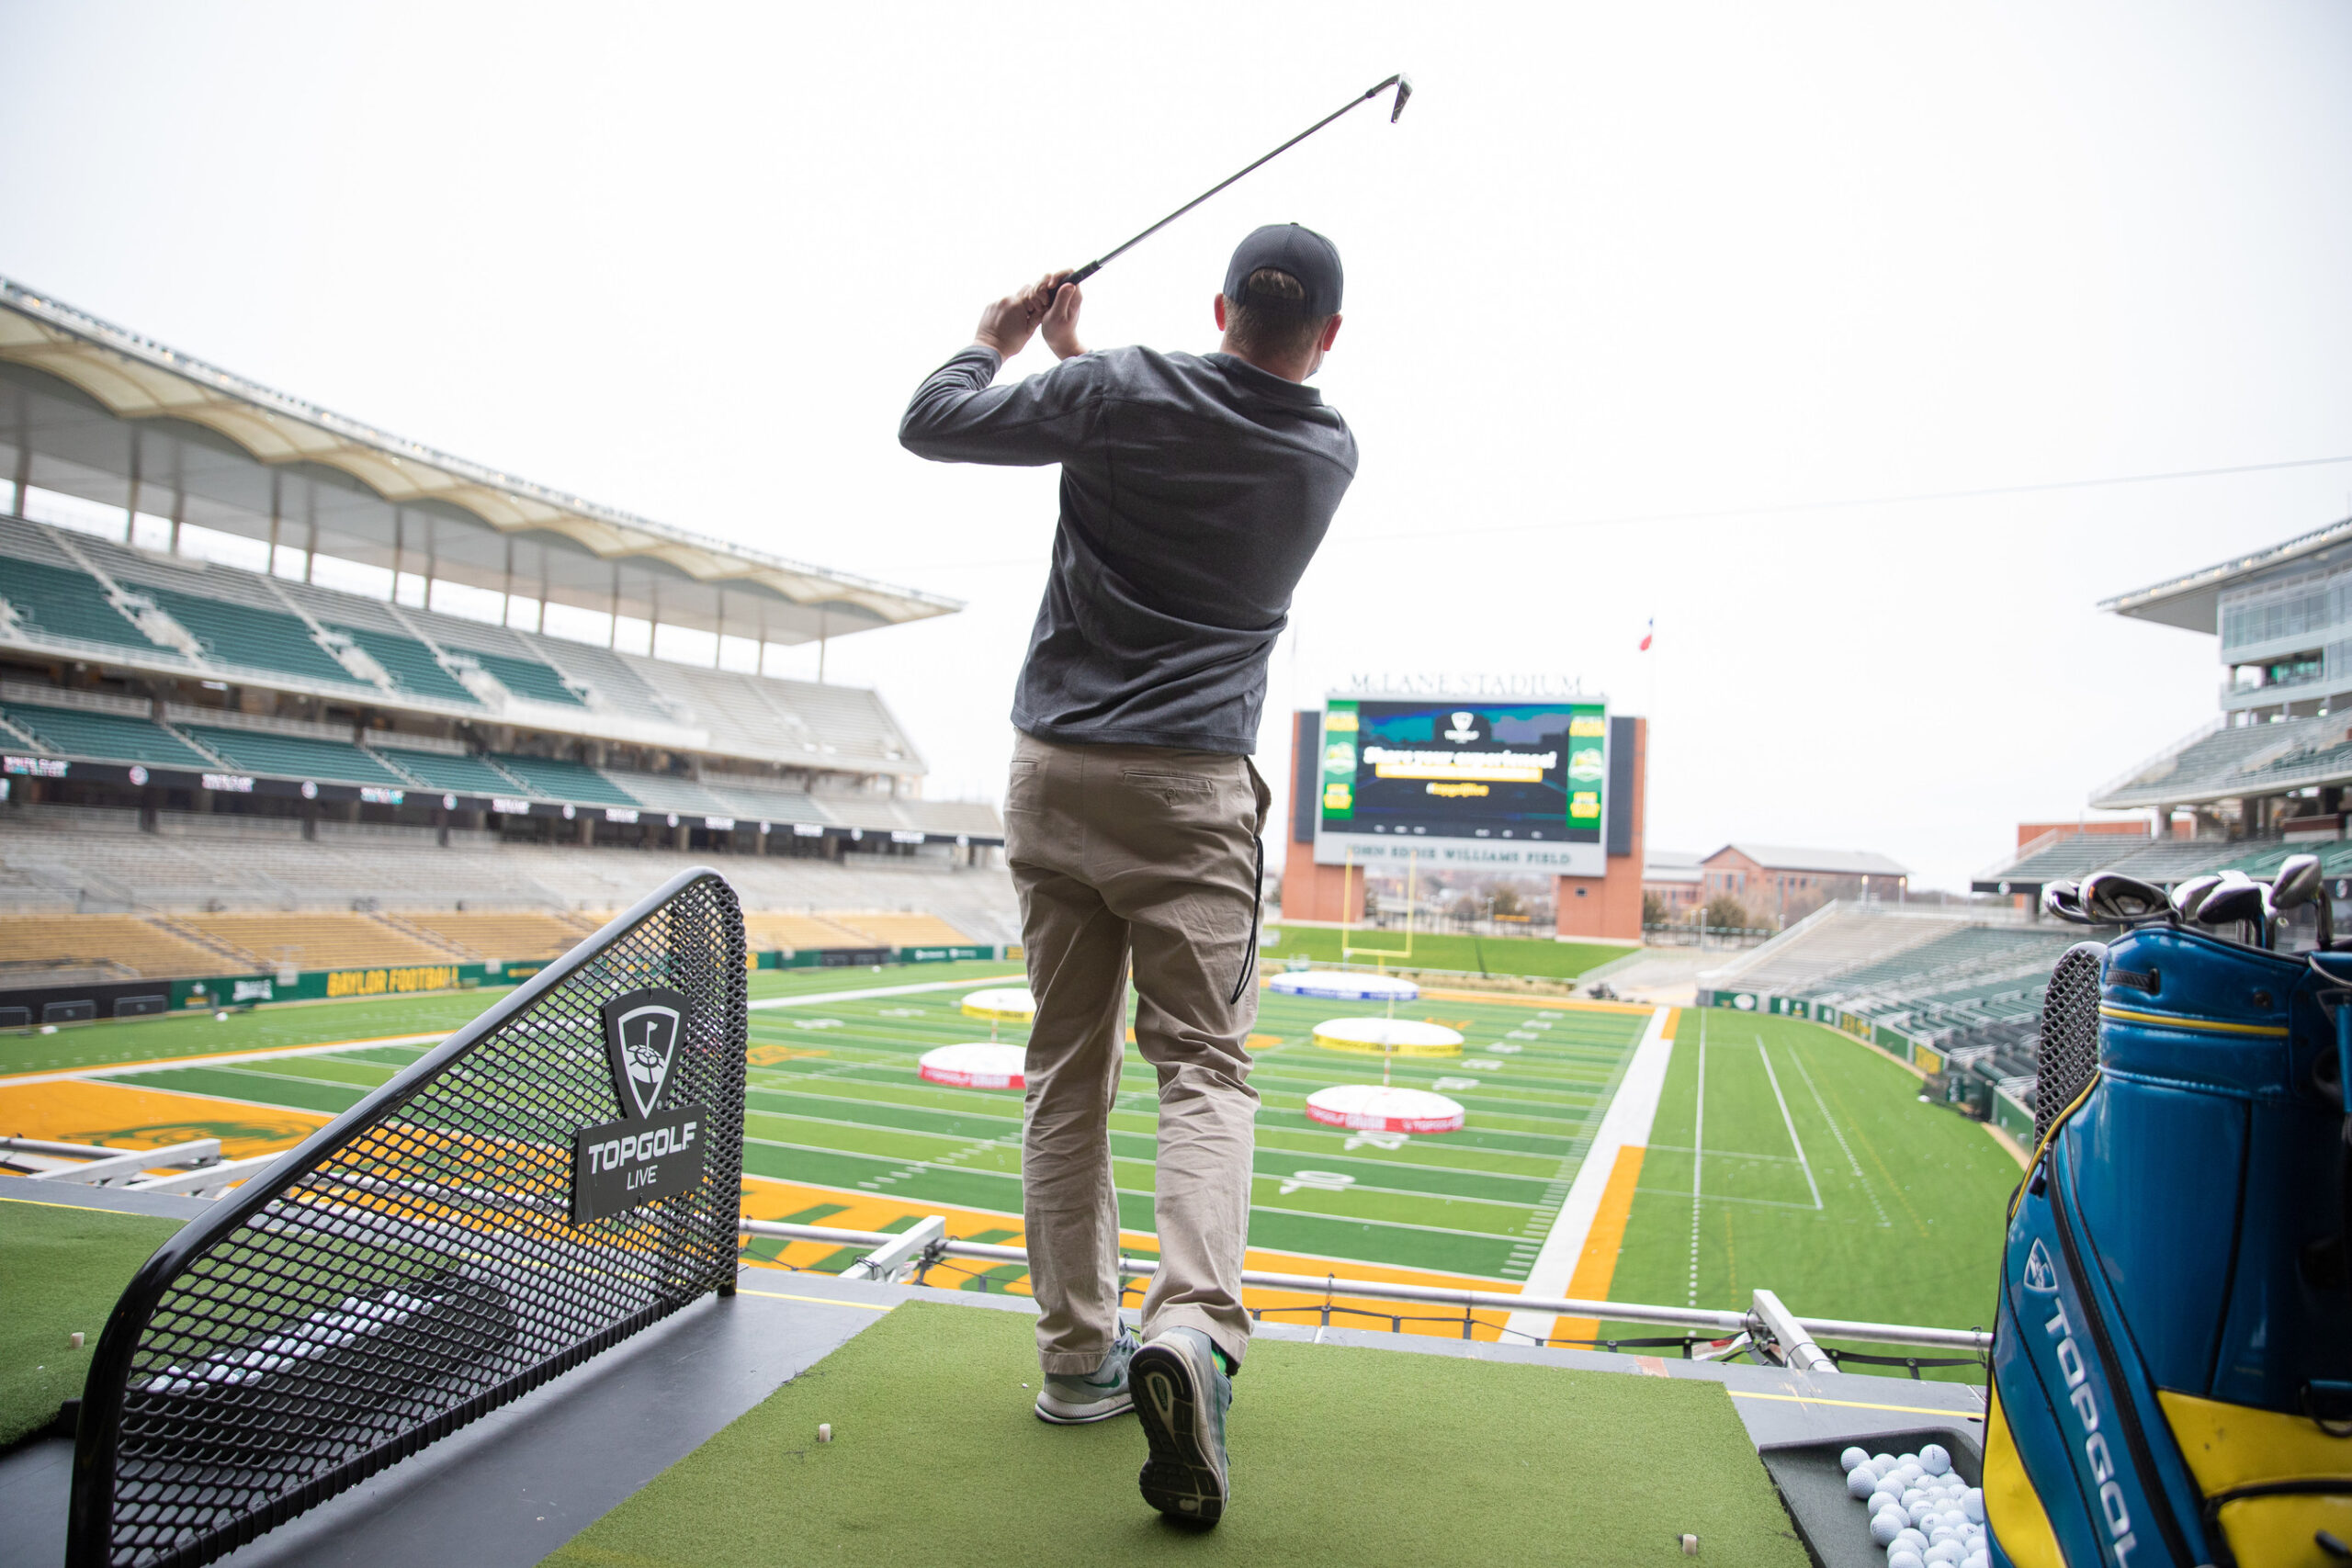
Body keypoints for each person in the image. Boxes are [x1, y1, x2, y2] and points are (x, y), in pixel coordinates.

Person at [899, 224, 1358, 1524]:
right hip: (1189, 793)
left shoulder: (1121, 390)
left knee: (1066, 1069)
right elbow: (1188, 431)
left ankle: (1076, 1357)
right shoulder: (1327, 449)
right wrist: (1079, 360)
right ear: (1327, 337)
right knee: (1204, 1067)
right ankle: (1191, 1331)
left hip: (1051, 774)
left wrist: (1004, 338)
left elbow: (935, 420)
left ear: (1218, 306)